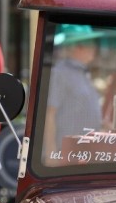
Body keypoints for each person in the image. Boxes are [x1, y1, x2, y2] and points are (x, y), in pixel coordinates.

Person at [42, 24, 107, 158]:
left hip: (83, 153)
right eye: (89, 43)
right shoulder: (59, 73)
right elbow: (49, 115)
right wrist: (51, 153)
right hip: (66, 153)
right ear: (77, 47)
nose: (94, 48)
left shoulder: (82, 73)